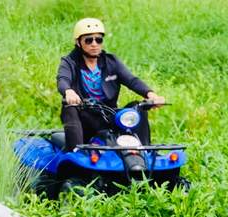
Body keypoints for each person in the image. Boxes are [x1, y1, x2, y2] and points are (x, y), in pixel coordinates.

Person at [56, 18, 166, 150]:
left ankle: (143, 151)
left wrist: (151, 94)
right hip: (84, 115)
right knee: (69, 108)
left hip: (109, 114)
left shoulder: (111, 61)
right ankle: (75, 152)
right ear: (78, 42)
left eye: (99, 39)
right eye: (88, 40)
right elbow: (63, 79)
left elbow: (131, 80)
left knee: (138, 107)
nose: (94, 44)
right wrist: (69, 91)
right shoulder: (69, 62)